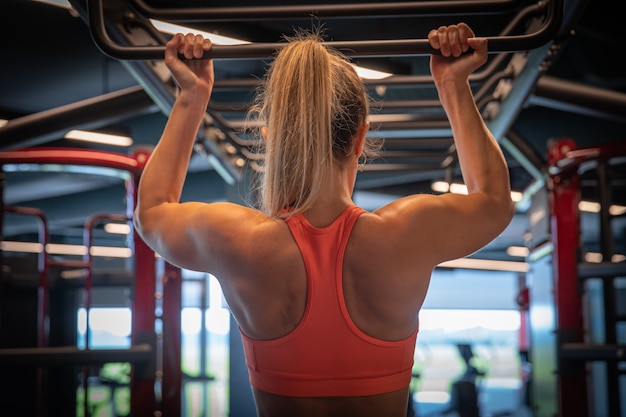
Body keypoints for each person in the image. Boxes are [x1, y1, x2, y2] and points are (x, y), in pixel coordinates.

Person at [133, 22, 515, 417]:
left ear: (272, 138)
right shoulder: (405, 235)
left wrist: (191, 97)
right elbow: (494, 201)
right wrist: (453, 83)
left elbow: (152, 213)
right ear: (360, 139)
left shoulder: (240, 242)